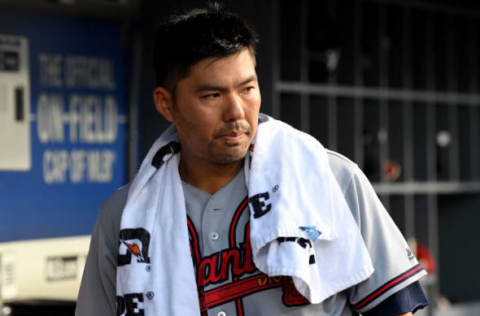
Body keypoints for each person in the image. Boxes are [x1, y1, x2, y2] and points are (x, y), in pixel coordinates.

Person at [75, 4, 429, 316]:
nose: (236, 112)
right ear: (166, 104)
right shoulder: (125, 217)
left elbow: (394, 308)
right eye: (212, 95)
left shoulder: (330, 178)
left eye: (247, 89)